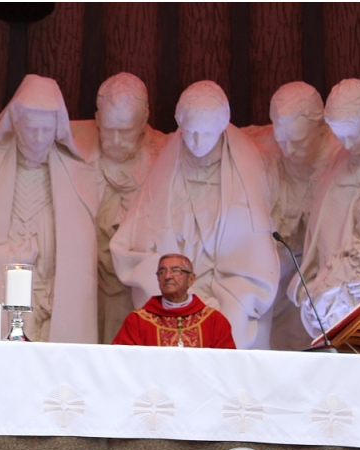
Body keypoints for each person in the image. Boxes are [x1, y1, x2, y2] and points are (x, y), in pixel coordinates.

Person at [111, 80, 278, 349]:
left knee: (230, 328)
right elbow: (133, 245)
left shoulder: (243, 174)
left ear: (222, 128)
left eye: (207, 134)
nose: (198, 143)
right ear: (180, 125)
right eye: (190, 132)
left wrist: (218, 298)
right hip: (171, 288)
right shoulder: (166, 173)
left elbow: (254, 263)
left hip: (226, 290)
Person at [0, 74, 100, 345]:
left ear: (57, 129)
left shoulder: (76, 179)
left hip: (51, 306)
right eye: (30, 128)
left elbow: (81, 262)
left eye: (46, 130)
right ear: (15, 124)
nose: (37, 139)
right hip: (1, 307)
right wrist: (9, 256)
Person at [294, 79, 360, 338]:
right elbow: (323, 243)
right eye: (339, 136)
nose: (347, 144)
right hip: (339, 295)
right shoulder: (337, 163)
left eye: (353, 134)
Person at [243, 83, 340, 350]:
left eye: (298, 142)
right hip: (281, 268)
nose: (288, 150)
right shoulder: (264, 151)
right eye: (281, 140)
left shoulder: (342, 156)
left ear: (322, 128)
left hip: (325, 270)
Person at [72, 73, 168, 343]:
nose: (115, 140)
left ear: (144, 121)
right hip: (90, 283)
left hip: (140, 284)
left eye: (124, 131)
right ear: (97, 120)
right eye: (108, 130)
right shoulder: (75, 149)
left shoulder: (165, 159)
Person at [113, 254, 235, 348]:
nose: (167, 276)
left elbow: (226, 365)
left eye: (175, 270)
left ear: (191, 279)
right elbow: (123, 362)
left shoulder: (214, 321)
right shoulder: (137, 321)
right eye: (162, 272)